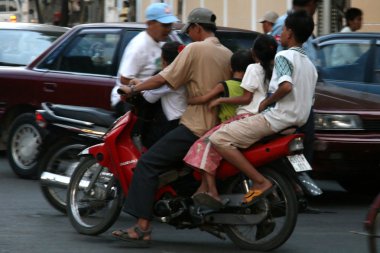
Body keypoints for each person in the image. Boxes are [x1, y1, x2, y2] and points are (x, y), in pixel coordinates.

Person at [111, 8, 232, 247]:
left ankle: (142, 227)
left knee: (147, 163)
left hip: (195, 126)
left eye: (190, 31)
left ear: (197, 28)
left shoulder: (195, 49)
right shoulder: (227, 52)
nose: (189, 36)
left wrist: (136, 88)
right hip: (218, 126)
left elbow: (165, 78)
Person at [209, 10, 318, 205]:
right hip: (296, 123)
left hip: (275, 119)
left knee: (219, 138)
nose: (281, 33)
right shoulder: (310, 64)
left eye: (283, 29)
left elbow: (285, 86)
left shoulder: (284, 56)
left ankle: (260, 182)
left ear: (290, 33)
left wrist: (266, 103)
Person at [184, 35, 278, 205]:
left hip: (247, 117)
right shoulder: (274, 70)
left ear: (254, 53)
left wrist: (221, 100)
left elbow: (246, 99)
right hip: (262, 118)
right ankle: (204, 188)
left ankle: (211, 191)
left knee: (205, 143)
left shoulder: (253, 69)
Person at [270, 0, 319, 163]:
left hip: (301, 103)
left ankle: (299, 184)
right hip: (290, 103)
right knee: (287, 152)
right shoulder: (285, 24)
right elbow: (279, 68)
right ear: (310, 3)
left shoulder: (304, 25)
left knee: (303, 150)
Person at [110, 2, 178, 116]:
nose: (169, 29)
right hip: (129, 101)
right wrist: (147, 85)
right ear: (150, 23)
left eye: (170, 25)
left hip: (148, 98)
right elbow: (124, 79)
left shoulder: (160, 43)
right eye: (165, 25)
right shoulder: (139, 46)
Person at [134, 42, 187, 148]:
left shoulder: (169, 78)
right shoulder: (185, 73)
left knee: (147, 156)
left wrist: (136, 85)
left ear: (164, 60)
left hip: (173, 123)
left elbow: (149, 97)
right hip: (183, 120)